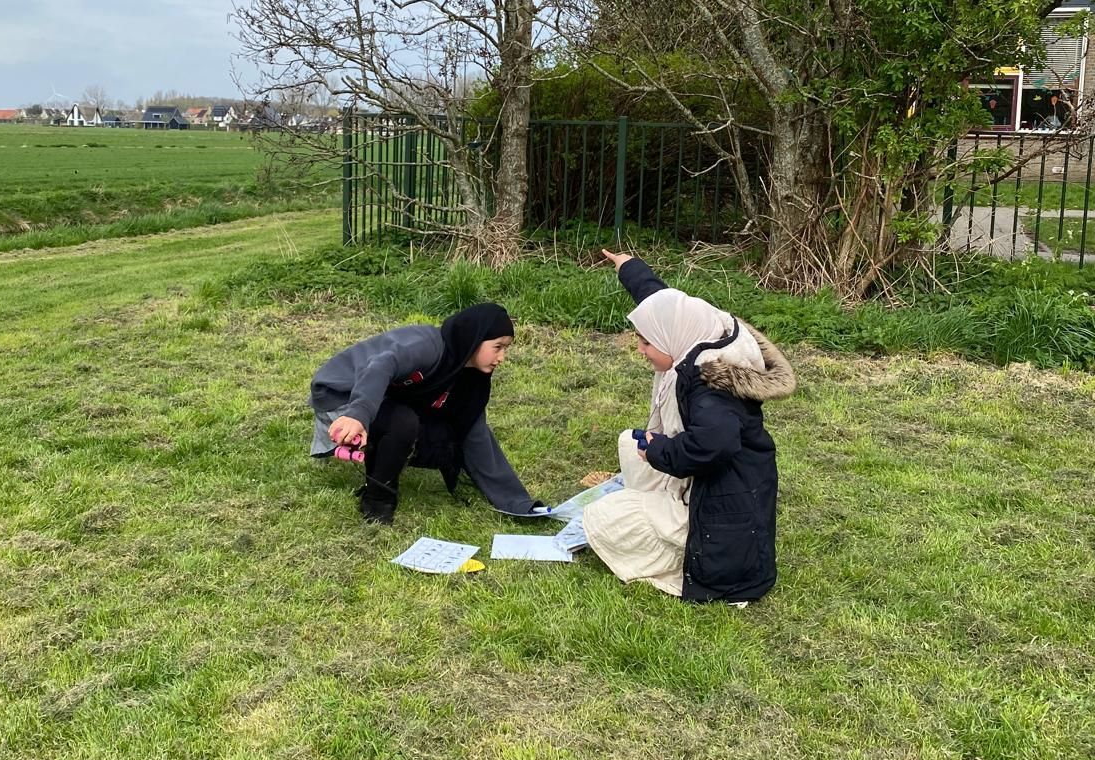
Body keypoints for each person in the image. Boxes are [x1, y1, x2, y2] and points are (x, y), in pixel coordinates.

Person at [584, 251, 796, 605]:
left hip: (719, 523)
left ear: (671, 337)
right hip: (716, 490)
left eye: (646, 342)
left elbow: (717, 444)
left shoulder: (709, 384)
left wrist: (659, 451)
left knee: (602, 517)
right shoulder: (705, 331)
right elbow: (661, 301)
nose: (640, 350)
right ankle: (657, 510)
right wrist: (629, 266)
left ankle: (677, 556)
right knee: (628, 444)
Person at [309, 302, 548, 525]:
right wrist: (358, 414)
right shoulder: (429, 345)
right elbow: (381, 366)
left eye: (506, 349)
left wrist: (518, 503)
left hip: (381, 398)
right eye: (497, 347)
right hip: (343, 393)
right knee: (403, 422)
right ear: (475, 339)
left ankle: (377, 453)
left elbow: (476, 437)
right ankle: (377, 500)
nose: (502, 357)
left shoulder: (471, 379)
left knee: (445, 432)